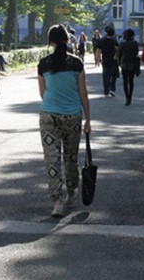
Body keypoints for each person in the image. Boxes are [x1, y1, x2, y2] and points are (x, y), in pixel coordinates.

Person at [37, 24, 91, 218]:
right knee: (70, 157)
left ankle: (57, 201)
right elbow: (83, 93)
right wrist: (88, 119)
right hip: (73, 116)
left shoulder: (43, 64)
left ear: (50, 41)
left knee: (51, 159)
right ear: (68, 40)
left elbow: (42, 93)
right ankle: (71, 191)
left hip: (49, 115)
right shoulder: (77, 64)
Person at [116, 28, 139, 105]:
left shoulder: (122, 43)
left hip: (124, 64)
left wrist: (119, 63)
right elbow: (136, 53)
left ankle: (127, 97)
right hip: (132, 63)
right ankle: (130, 96)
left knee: (125, 81)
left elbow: (119, 54)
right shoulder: (135, 43)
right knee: (131, 81)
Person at [95, 25, 119, 97]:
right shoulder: (114, 41)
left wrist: (98, 59)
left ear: (106, 33)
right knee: (113, 75)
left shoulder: (102, 40)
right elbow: (118, 50)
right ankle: (112, 89)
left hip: (105, 60)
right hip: (113, 61)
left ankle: (106, 90)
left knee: (105, 75)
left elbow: (98, 50)